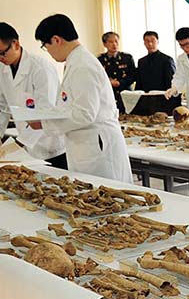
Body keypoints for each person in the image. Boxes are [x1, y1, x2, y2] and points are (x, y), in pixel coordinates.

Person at [33, 14, 133, 183]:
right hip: (86, 145)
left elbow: (85, 114)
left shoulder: (83, 66)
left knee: (108, 198)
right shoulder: (75, 62)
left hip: (98, 146)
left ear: (56, 40)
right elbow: (71, 105)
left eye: (45, 46)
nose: (47, 51)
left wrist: (44, 123)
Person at [0, 22, 67, 169]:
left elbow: (45, 113)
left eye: (1, 52)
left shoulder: (40, 68)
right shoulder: (2, 68)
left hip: (51, 146)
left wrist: (19, 143)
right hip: (27, 148)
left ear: (15, 44)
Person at [133, 31, 178, 115]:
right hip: (146, 101)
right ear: (144, 43)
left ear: (158, 41)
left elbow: (171, 83)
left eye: (152, 40)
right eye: (147, 41)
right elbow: (139, 84)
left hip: (162, 101)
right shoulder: (141, 61)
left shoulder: (167, 60)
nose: (150, 43)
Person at [97, 31, 136, 114]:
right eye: (111, 42)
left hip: (125, 95)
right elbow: (97, 77)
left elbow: (133, 76)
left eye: (116, 41)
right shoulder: (100, 60)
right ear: (105, 44)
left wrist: (120, 83)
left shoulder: (127, 58)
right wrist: (109, 82)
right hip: (108, 95)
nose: (114, 44)